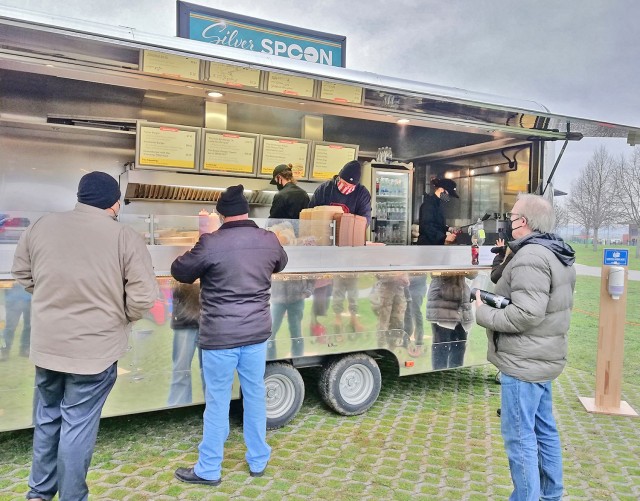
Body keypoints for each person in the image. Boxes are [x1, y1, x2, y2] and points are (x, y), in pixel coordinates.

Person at [11, 171, 158, 501]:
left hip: (48, 348)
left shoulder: (41, 226)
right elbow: (144, 297)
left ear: (80, 197)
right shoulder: (125, 237)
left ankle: (39, 493)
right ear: (114, 203)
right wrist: (120, 316)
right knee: (77, 425)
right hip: (95, 352)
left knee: (47, 419)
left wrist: (50, 294)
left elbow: (21, 272)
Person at [172, 184, 288, 486]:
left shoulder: (211, 242)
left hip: (219, 338)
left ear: (220, 214)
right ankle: (258, 461)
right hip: (255, 335)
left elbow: (180, 270)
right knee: (255, 396)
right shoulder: (268, 239)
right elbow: (281, 262)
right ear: (247, 211)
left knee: (218, 401)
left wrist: (202, 241)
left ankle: (209, 468)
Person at [475, 194, 576, 501]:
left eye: (513, 215)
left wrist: (482, 311)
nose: (509, 220)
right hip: (542, 359)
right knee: (544, 432)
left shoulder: (532, 257)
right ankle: (550, 495)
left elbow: (526, 314)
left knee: (519, 439)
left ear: (526, 222)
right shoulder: (554, 252)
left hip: (523, 363)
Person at [308, 160, 371, 333]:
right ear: (338, 178)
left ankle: (352, 319)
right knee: (322, 286)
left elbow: (365, 220)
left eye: (351, 185)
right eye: (344, 183)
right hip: (323, 249)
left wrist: (351, 233)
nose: (347, 188)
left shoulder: (362, 193)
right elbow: (310, 214)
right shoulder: (325, 189)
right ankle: (318, 322)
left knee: (350, 286)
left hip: (349, 251)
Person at [167, 282, 204, 406]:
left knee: (210, 371)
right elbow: (177, 280)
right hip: (185, 318)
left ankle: (214, 407)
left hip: (209, 318)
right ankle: (177, 408)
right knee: (180, 370)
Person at [417, 177, 459, 246]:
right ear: (441, 190)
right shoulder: (429, 204)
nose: (449, 197)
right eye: (448, 194)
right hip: (427, 246)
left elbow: (436, 223)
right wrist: (444, 237)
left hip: (436, 245)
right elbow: (427, 226)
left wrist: (449, 228)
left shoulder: (438, 203)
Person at [1, 282, 32, 360]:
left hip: (29, 299)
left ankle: (24, 349)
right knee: (10, 326)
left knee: (29, 326)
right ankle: (5, 351)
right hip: (12, 300)